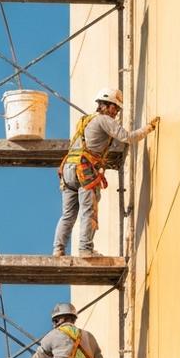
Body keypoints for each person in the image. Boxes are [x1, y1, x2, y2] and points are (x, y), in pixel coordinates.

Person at [53, 87, 159, 257]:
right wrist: (149, 128)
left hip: (68, 170)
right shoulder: (105, 120)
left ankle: (58, 249)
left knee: (68, 215)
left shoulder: (86, 120)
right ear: (106, 105)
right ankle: (85, 249)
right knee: (89, 210)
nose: (116, 112)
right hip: (84, 170)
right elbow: (127, 137)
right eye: (115, 108)